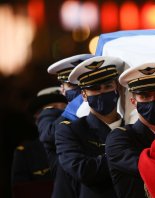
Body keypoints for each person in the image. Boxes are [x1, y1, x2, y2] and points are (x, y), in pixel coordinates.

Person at [55, 56, 125, 198]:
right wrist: (123, 155)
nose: (101, 92)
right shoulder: (70, 131)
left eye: (107, 87)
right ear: (84, 95)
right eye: (94, 89)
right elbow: (83, 170)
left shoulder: (130, 128)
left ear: (116, 88)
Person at [105, 62, 155, 198]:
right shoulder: (119, 138)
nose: (153, 101)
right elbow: (149, 168)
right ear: (134, 102)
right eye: (145, 97)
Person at [38, 54, 94, 198]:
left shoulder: (102, 111)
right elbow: (49, 134)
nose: (79, 89)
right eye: (73, 85)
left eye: (82, 83)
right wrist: (76, 108)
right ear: (62, 89)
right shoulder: (51, 115)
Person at [12, 86, 67, 198]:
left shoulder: (83, 141)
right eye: (50, 110)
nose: (56, 115)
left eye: (62, 109)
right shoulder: (26, 153)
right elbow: (21, 191)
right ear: (37, 117)